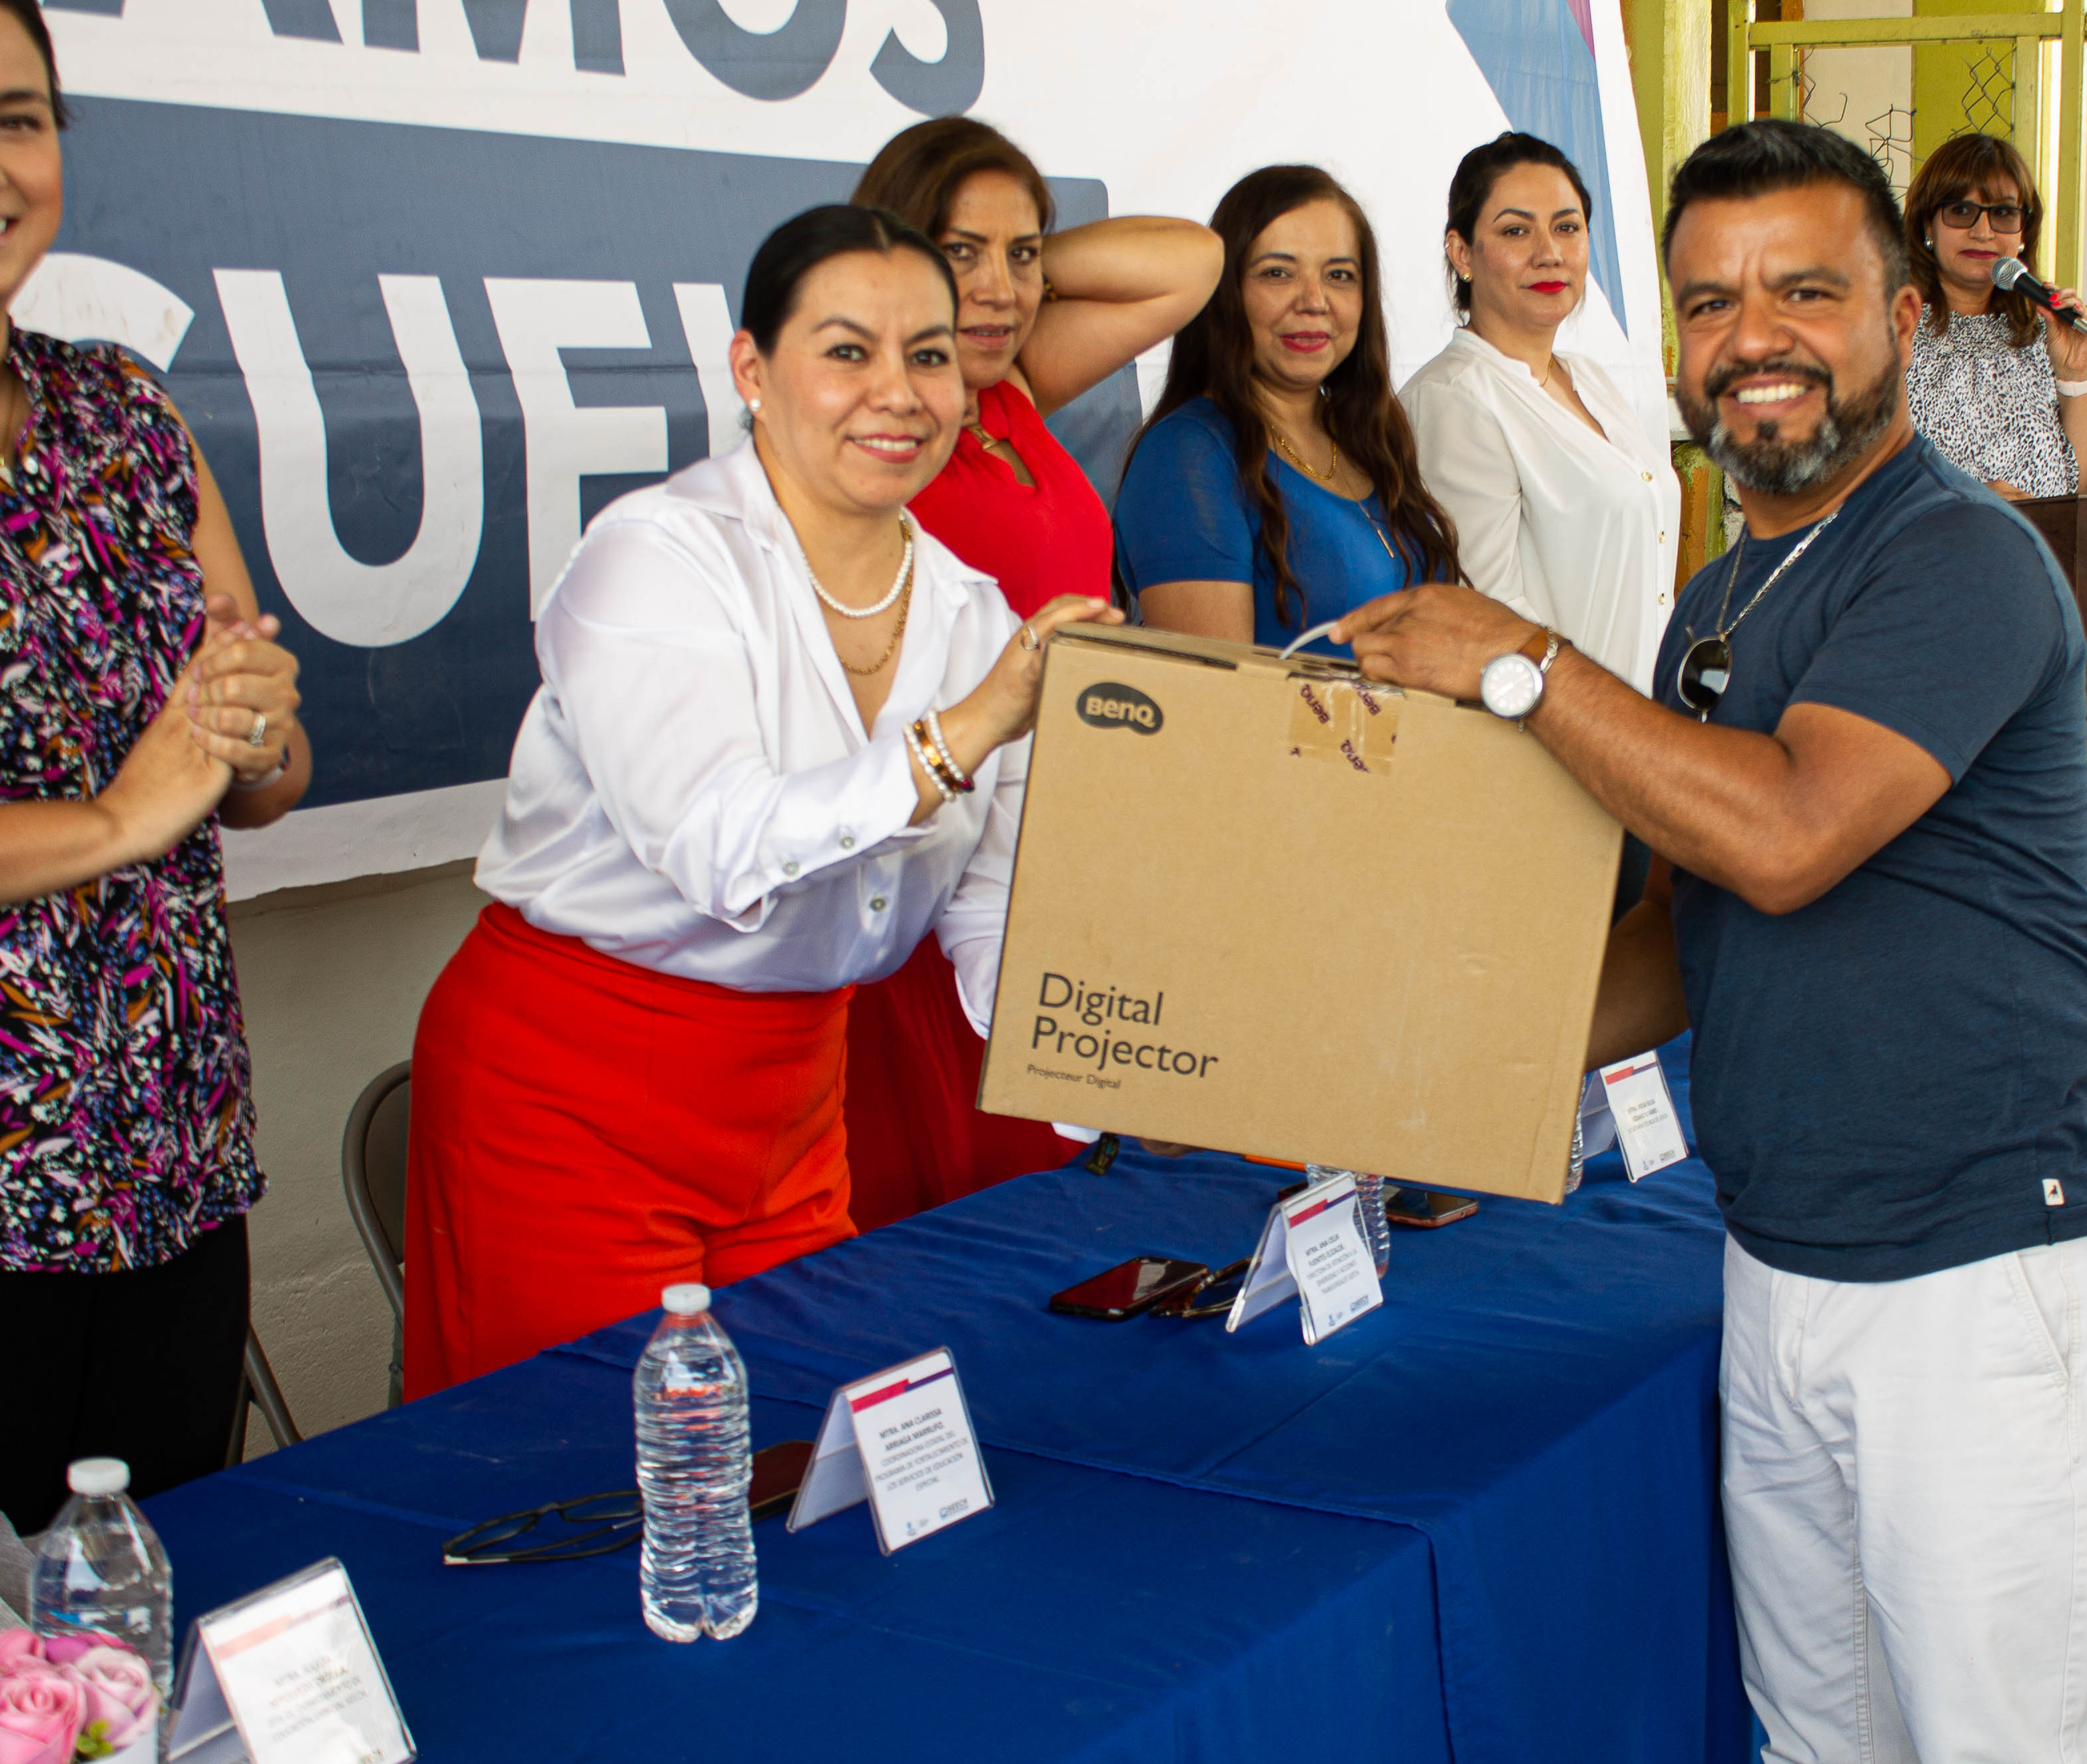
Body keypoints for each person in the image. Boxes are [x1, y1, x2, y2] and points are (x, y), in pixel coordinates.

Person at [1335, 121, 2087, 1764]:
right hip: (1786, 1259)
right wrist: (1411, 1065)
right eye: (1710, 301)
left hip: (1981, 1266)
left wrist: (1515, 659)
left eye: (1806, 287)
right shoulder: (1718, 595)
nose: (1753, 335)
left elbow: (1789, 833)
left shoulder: (1958, 555)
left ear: (1904, 320)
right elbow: (1689, 926)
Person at [402, 206, 1115, 1399]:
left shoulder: (973, 613)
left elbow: (987, 908)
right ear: (752, 369)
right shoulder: (659, 554)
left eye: (929, 355)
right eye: (847, 351)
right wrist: (970, 726)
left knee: (810, 1459)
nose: (897, 391)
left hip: (790, 1109)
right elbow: (718, 842)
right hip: (571, 1094)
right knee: (596, 1491)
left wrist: (1103, 1059)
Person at [0, 0, 308, 1532]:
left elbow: (258, 775)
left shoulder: (122, 406)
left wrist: (250, 731)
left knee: (160, 1641)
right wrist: (122, 815)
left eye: (18, 117)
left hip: (169, 1160)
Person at [840, 118, 1217, 1230]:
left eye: (1025, 251)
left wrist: (1006, 269)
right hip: (931, 900)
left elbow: (1190, 262)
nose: (1004, 290)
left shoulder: (1000, 398)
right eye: (962, 252)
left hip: (1049, 884)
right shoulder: (878, 433)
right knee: (967, 1246)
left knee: (1070, 1232)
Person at [1117, 165, 1457, 654]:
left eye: (1339, 275)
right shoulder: (1187, 457)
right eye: (1278, 273)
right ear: (1225, 291)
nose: (1314, 301)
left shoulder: (1370, 437)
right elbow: (1215, 707)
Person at [1401, 131, 1681, 689]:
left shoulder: (1589, 380)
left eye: (1567, 227)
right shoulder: (1456, 398)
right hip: (1553, 738)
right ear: (1462, 254)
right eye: (1515, 230)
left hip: (1646, 724)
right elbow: (1489, 619)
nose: (1549, 252)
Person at [1902, 130, 2087, 498]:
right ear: (1928, 225)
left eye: (2004, 214)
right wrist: (1969, 508)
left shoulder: (2045, 338)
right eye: (1961, 211)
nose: (1983, 232)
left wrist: (2073, 375)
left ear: (2023, 233)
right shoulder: (1884, 340)